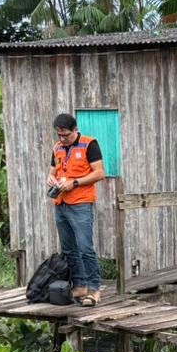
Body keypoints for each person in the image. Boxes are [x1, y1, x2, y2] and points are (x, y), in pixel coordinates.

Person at [48, 113, 106, 307]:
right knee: (69, 249)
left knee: (85, 248)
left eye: (66, 135)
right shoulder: (57, 147)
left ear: (75, 130)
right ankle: (80, 285)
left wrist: (75, 182)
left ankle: (94, 289)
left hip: (80, 203)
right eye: (59, 135)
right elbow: (52, 170)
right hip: (61, 203)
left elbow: (99, 173)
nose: (62, 139)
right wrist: (51, 179)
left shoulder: (89, 144)